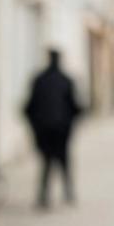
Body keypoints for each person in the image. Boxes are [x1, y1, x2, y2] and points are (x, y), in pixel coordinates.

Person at [24, 49, 82, 210]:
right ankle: (67, 193)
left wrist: (36, 127)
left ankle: (45, 196)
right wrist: (69, 124)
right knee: (63, 162)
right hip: (61, 131)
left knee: (47, 163)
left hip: (46, 132)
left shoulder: (39, 80)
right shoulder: (66, 80)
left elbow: (28, 108)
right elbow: (76, 108)